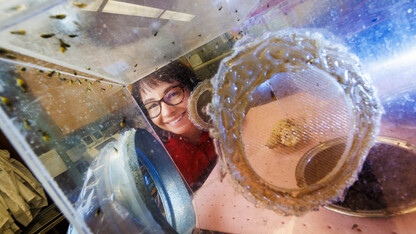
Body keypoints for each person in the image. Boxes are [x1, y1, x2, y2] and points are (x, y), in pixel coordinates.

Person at [132, 60, 217, 191]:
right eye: (153, 106)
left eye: (172, 94)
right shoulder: (157, 156)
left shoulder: (225, 117)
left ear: (192, 87)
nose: (167, 112)